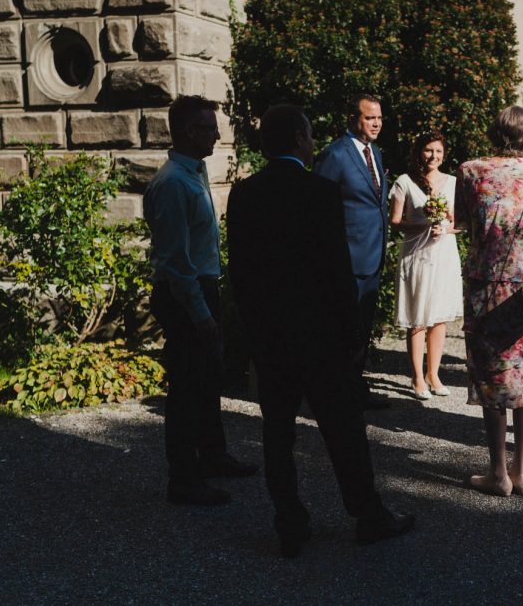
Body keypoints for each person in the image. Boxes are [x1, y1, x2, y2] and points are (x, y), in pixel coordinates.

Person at [227, 104, 415, 558]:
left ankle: (289, 520)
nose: (314, 143)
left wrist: (251, 337)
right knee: (344, 431)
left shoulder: (243, 194)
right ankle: (367, 514)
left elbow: (241, 276)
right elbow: (336, 272)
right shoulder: (320, 192)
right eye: (310, 135)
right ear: (297, 138)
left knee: (277, 433)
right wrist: (352, 335)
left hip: (272, 338)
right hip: (320, 337)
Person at [142, 95, 258, 507]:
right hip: (184, 292)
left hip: (200, 285)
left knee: (207, 380)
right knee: (187, 388)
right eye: (209, 128)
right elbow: (175, 260)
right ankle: (184, 479)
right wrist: (200, 313)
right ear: (190, 132)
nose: (216, 134)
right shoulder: (174, 182)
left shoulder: (194, 171)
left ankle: (212, 456)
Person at [454, 106, 523, 497]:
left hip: (483, 286)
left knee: (491, 377)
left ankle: (497, 472)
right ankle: (521, 471)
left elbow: (464, 224)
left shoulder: (470, 170)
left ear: (495, 131)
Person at [314, 94, 391, 410]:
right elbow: (320, 207)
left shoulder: (374, 153)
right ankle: (335, 396)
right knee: (343, 331)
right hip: (346, 260)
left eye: (379, 118)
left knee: (361, 330)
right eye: (370, 117)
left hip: (372, 257)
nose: (376, 123)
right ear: (353, 118)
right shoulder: (335, 154)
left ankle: (354, 390)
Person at [389, 130, 464, 400]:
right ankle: (417, 377)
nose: (434, 156)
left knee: (439, 317)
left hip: (443, 254)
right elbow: (395, 221)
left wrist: (446, 228)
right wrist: (423, 223)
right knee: (418, 316)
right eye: (429, 150)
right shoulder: (405, 182)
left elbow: (460, 223)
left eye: (439, 151)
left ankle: (434, 373)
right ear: (419, 151)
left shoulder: (454, 183)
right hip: (417, 256)